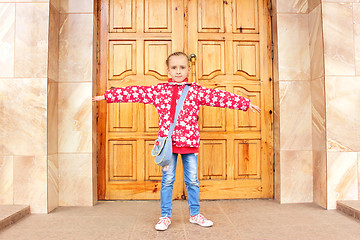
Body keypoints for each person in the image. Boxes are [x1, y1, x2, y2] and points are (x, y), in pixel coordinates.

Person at [93, 52, 261, 231]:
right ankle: (165, 216)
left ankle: (195, 215)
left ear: (188, 69)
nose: (178, 71)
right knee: (167, 180)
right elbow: (136, 92)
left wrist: (244, 102)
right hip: (168, 145)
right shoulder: (159, 91)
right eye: (174, 68)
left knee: (192, 181)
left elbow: (219, 97)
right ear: (168, 71)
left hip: (190, 143)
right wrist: (107, 96)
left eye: (182, 67)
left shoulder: (196, 91)